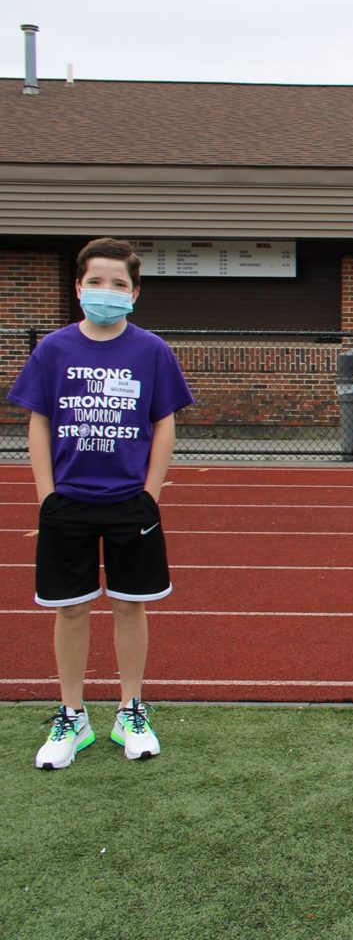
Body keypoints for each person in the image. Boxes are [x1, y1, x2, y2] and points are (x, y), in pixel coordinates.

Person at [9, 237, 195, 769]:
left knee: (130, 604)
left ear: (134, 293)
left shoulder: (151, 350)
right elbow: (38, 420)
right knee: (69, 609)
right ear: (78, 288)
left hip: (129, 503)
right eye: (96, 281)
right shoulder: (54, 349)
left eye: (118, 283)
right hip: (67, 501)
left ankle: (130, 709)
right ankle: (73, 715)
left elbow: (165, 421)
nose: (106, 291)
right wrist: (47, 496)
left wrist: (150, 493)